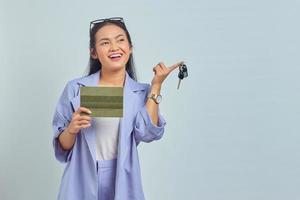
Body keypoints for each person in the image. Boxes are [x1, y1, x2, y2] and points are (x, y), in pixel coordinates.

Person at [52, 17, 183, 200]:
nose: (114, 47)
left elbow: (147, 133)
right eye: (105, 42)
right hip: (81, 177)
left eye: (120, 40)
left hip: (122, 178)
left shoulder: (140, 92)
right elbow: (63, 149)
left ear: (130, 47)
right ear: (94, 52)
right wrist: (71, 129)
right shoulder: (76, 89)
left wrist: (156, 86)